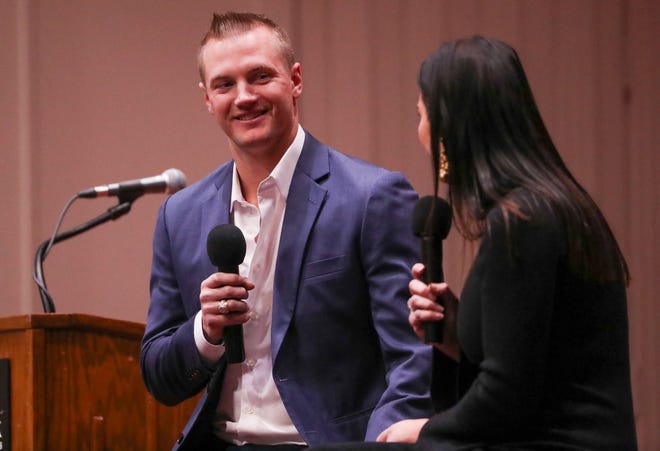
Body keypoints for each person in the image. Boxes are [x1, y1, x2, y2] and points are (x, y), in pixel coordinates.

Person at [312, 35, 638, 450]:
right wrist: (454, 335)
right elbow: (534, 364)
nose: (420, 131)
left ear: (449, 129)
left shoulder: (523, 221)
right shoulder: (549, 205)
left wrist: (425, 431)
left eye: (421, 115)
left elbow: (508, 396)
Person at [139, 11, 433, 451]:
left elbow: (413, 359)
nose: (244, 97)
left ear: (295, 80)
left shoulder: (371, 197)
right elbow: (159, 376)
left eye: (260, 76)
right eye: (225, 84)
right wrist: (206, 330)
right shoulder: (179, 215)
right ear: (206, 98)